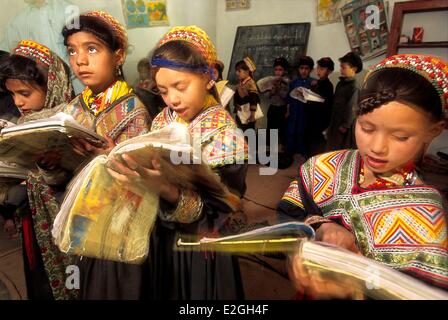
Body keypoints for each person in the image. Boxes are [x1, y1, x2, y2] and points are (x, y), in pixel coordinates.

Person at [278, 54, 448, 297]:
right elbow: (287, 212)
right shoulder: (325, 166)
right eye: (366, 128)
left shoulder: (425, 217)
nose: (377, 147)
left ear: (433, 131)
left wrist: (351, 286)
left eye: (400, 137)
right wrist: (320, 226)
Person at [107, 25, 249, 299]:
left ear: (210, 77)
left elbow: (224, 204)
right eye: (162, 91)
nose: (172, 99)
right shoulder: (163, 119)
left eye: (180, 87)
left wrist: (167, 189)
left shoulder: (226, 135)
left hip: (201, 244)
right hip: (163, 236)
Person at [20, 11, 152, 300]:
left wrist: (108, 158)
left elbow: (142, 189)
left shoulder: (134, 111)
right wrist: (49, 166)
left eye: (92, 49)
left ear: (118, 55)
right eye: (72, 51)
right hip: (82, 227)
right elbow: (61, 181)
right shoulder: (73, 110)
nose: (80, 61)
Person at [0, 39, 74, 300]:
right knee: (40, 276)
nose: (18, 102)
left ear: (50, 84)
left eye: (25, 93)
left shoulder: (70, 118)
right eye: (12, 94)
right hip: (35, 216)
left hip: (66, 216)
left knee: (73, 279)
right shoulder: (22, 123)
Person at [326, 51, 362, 151]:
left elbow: (352, 107)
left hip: (344, 124)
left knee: (342, 146)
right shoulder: (340, 83)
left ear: (354, 69)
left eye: (344, 67)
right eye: (340, 67)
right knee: (332, 143)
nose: (341, 70)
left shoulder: (354, 86)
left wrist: (346, 125)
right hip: (336, 119)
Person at [304, 57, 335, 158]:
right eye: (318, 68)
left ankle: (315, 165)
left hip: (320, 121)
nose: (318, 71)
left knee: (317, 145)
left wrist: (312, 96)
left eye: (322, 69)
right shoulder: (316, 83)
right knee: (309, 141)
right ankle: (308, 162)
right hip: (311, 118)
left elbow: (324, 102)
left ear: (329, 71)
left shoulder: (328, 86)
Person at [286, 55, 315, 158]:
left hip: (305, 111)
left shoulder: (313, 82)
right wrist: (288, 110)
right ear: (298, 69)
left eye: (306, 69)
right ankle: (290, 150)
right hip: (294, 110)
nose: (304, 71)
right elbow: (289, 97)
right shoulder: (294, 82)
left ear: (310, 70)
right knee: (291, 130)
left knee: (302, 130)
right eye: (301, 68)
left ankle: (303, 151)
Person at [265, 57, 290, 153]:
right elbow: (267, 96)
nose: (278, 72)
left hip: (282, 109)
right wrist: (271, 91)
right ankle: (270, 148)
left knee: (282, 129)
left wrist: (279, 88)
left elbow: (286, 96)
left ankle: (283, 148)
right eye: (276, 69)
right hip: (272, 108)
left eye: (280, 70)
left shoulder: (287, 81)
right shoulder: (271, 80)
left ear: (285, 70)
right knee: (271, 128)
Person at [233, 57, 260, 132]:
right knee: (240, 132)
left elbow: (254, 99)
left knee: (248, 133)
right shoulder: (240, 83)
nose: (237, 73)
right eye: (236, 71)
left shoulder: (251, 84)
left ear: (247, 71)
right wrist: (236, 104)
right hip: (241, 113)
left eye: (239, 71)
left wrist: (252, 115)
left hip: (248, 115)